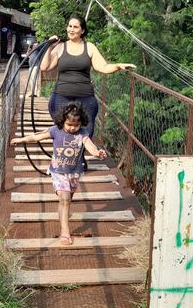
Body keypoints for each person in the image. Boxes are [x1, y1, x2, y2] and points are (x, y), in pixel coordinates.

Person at [10, 102, 107, 245]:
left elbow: (90, 146)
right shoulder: (56, 130)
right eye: (69, 124)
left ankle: (62, 215)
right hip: (58, 172)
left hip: (74, 173)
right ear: (63, 121)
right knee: (65, 199)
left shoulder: (83, 133)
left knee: (66, 200)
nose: (73, 128)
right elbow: (38, 137)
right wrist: (22, 140)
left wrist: (97, 153)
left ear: (81, 123)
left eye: (76, 125)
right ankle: (65, 232)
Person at [39, 15, 136, 138]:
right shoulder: (60, 47)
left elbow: (103, 67)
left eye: (75, 27)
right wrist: (50, 46)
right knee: (62, 133)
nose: (71, 29)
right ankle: (62, 156)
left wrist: (118, 66)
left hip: (85, 97)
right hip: (61, 96)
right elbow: (44, 67)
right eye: (70, 26)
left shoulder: (89, 47)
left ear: (82, 30)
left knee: (86, 133)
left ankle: (80, 156)